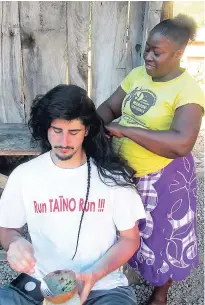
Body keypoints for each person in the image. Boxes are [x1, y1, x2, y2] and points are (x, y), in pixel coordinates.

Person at [0, 84, 146, 305]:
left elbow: (130, 239)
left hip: (102, 287)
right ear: (46, 129)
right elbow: (8, 231)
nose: (64, 142)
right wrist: (14, 243)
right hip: (42, 284)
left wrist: (93, 275)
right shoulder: (24, 176)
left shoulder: (111, 177)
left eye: (73, 132)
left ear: (86, 130)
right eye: (57, 131)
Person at [97, 14, 204, 305]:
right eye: (147, 49)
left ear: (179, 54)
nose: (148, 56)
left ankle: (161, 292)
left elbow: (182, 143)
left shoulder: (188, 91)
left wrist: (124, 130)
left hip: (164, 175)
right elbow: (109, 106)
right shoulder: (137, 76)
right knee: (129, 228)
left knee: (163, 235)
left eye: (157, 52)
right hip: (124, 172)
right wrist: (92, 126)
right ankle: (133, 270)